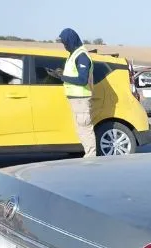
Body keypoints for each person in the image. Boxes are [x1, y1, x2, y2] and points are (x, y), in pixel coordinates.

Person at [52, 28, 96, 157]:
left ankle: (91, 157)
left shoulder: (81, 56)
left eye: (65, 42)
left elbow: (82, 80)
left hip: (81, 97)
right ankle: (89, 155)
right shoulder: (74, 55)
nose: (64, 45)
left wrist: (63, 77)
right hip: (76, 98)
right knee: (81, 129)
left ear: (71, 40)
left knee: (85, 128)